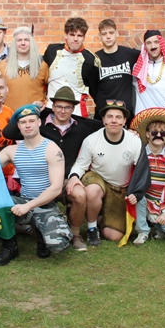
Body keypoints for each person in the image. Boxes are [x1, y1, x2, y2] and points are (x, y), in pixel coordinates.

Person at [2, 86, 104, 251]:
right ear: (52, 106)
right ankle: (37, 227)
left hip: (65, 179)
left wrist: (130, 132)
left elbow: (104, 126)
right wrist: (33, 110)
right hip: (42, 177)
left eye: (67, 107)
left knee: (79, 194)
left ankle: (75, 234)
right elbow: (9, 132)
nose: (63, 111)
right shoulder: (39, 123)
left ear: (73, 109)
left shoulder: (81, 127)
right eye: (59, 106)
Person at [0, 105, 73, 266]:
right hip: (23, 201)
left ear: (39, 122)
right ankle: (10, 247)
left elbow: (56, 188)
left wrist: (28, 206)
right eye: (23, 122)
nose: (27, 125)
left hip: (45, 204)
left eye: (31, 121)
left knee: (58, 245)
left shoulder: (52, 149)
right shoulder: (12, 150)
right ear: (18, 126)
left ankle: (42, 231)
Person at [66, 102, 142, 244]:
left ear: (124, 121)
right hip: (97, 179)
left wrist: (137, 192)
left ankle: (100, 216)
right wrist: (74, 177)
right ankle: (92, 229)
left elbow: (140, 169)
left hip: (119, 188)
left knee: (114, 236)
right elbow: (81, 165)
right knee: (92, 190)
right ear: (103, 120)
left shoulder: (134, 141)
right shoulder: (91, 140)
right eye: (110, 116)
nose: (114, 120)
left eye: (118, 117)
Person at [129, 108, 165, 245]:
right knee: (138, 196)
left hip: (162, 202)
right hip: (141, 201)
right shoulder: (138, 155)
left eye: (163, 133)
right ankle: (143, 231)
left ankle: (159, 226)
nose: (159, 135)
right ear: (147, 134)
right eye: (154, 132)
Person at [43, 17, 100, 117]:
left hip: (76, 113)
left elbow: (96, 92)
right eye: (72, 35)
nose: (75, 39)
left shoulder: (90, 60)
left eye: (79, 35)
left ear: (84, 37)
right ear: (66, 35)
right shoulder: (52, 50)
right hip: (50, 110)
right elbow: (42, 78)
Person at [94, 19, 140, 123]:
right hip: (103, 114)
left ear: (117, 33)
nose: (108, 36)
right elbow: (92, 87)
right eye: (104, 34)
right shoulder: (95, 59)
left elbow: (151, 55)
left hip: (125, 113)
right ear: (100, 36)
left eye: (111, 32)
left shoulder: (130, 54)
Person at [0, 27, 49, 110]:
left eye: (26, 40)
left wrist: (44, 103)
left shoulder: (42, 66)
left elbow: (50, 89)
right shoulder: (1, 66)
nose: (23, 43)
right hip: (10, 115)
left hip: (34, 114)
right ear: (14, 43)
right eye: (19, 40)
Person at [132, 29, 165, 115]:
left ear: (162, 44)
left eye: (156, 42)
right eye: (149, 43)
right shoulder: (137, 68)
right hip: (143, 119)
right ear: (145, 47)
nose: (153, 46)